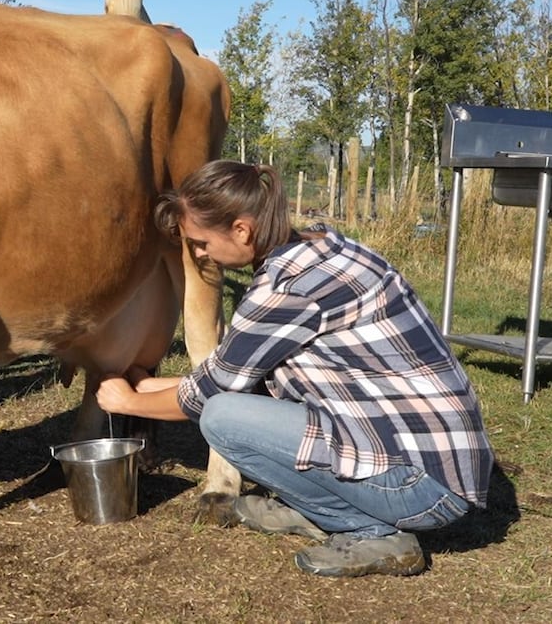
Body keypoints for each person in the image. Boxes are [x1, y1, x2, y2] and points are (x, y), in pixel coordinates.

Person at [97, 160, 494, 578]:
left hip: (422, 488)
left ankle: (368, 529)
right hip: (436, 462)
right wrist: (149, 384)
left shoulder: (285, 290)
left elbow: (211, 395)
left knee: (222, 419)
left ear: (241, 230)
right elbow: (231, 373)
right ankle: (328, 510)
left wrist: (126, 401)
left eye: (199, 242)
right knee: (238, 406)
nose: (198, 254)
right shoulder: (325, 248)